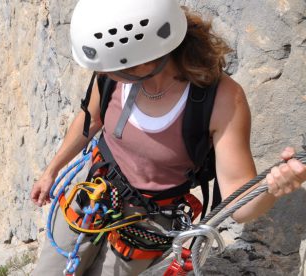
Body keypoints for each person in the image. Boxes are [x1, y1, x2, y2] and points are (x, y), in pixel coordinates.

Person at [29, 0, 306, 275]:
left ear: (142, 59)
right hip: (94, 194)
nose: (101, 73)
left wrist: (271, 187)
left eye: (110, 68)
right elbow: (90, 121)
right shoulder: (111, 75)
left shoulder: (221, 100)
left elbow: (237, 205)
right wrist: (51, 171)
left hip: (146, 223)